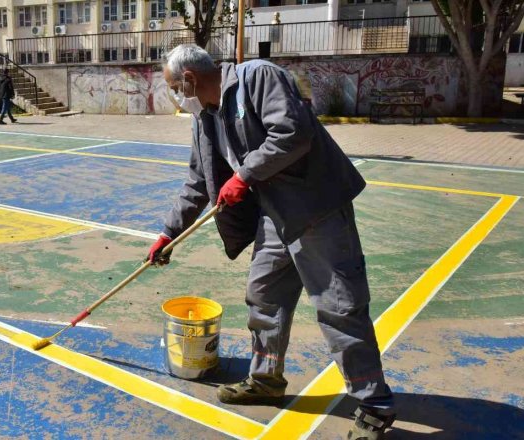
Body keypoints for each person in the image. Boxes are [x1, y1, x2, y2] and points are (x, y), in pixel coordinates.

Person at [147, 44, 395, 440]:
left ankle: (374, 404)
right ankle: (265, 379)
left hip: (315, 211)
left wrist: (243, 175)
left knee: (340, 308)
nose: (177, 96)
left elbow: (294, 133)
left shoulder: (258, 77)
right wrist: (167, 233)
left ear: (189, 80)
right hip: (273, 219)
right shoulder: (205, 118)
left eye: (175, 88)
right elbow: (197, 181)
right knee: (264, 298)